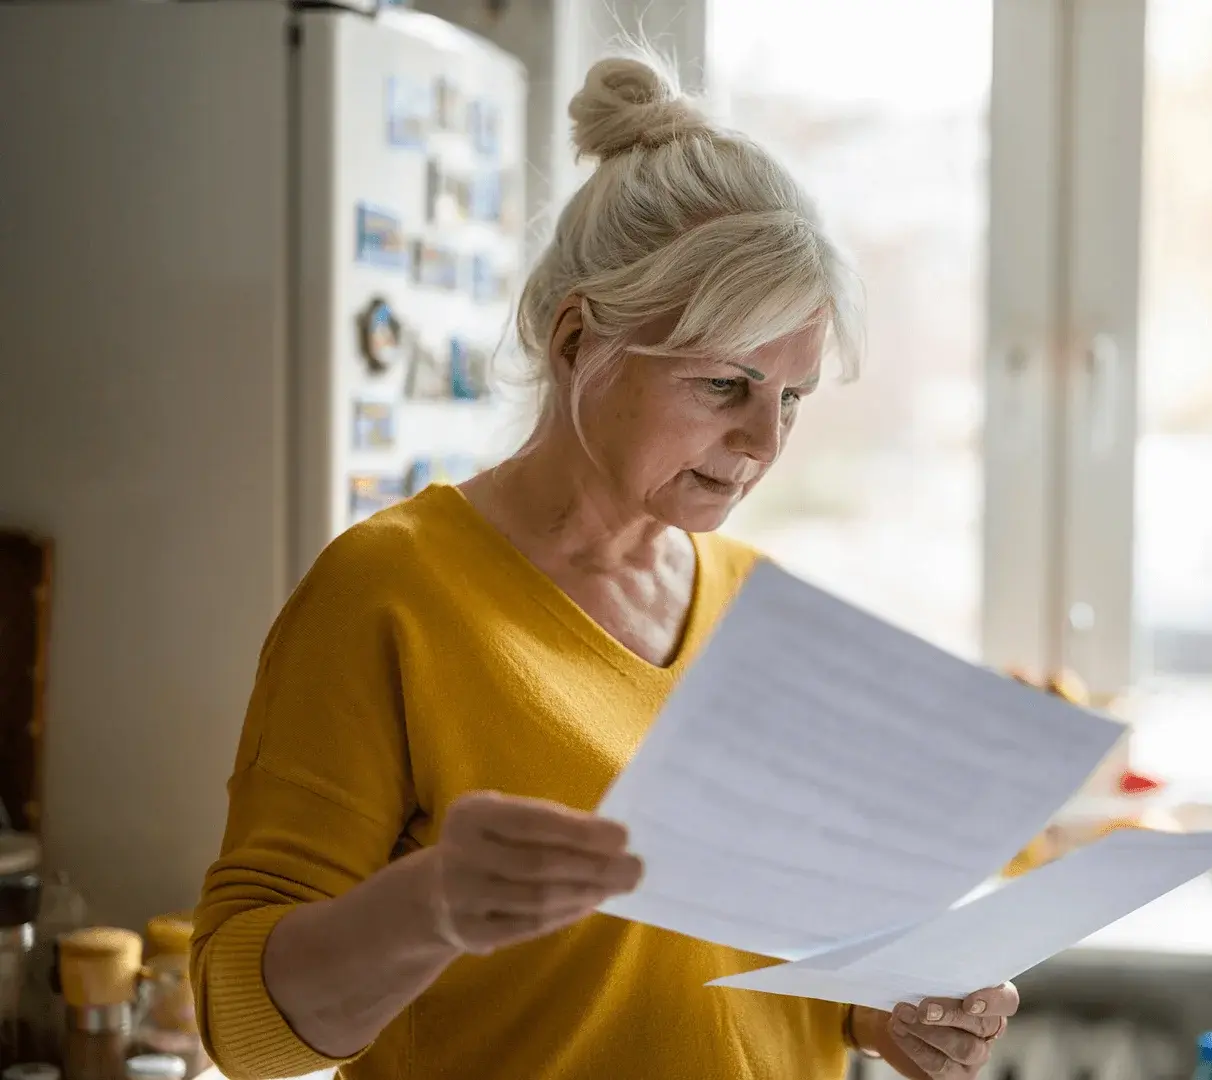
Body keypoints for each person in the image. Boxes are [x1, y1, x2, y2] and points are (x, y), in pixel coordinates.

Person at [189, 50, 1017, 1080]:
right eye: (725, 384)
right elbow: (245, 1030)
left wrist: (885, 1012)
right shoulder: (389, 592)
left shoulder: (756, 605)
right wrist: (433, 904)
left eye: (792, 398)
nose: (765, 439)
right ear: (580, 338)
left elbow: (757, 958)